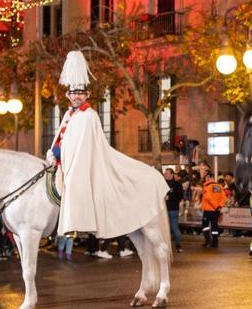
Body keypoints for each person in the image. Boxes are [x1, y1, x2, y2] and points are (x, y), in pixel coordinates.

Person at [46, 50, 170, 255]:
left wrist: (59, 152)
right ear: (68, 95)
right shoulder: (69, 114)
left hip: (80, 165)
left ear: (86, 95)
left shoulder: (89, 116)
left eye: (80, 93)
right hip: (62, 163)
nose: (76, 96)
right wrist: (53, 151)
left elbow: (80, 146)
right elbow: (63, 138)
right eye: (73, 93)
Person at [201, 170, 228, 248]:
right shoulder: (219, 186)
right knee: (214, 226)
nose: (205, 179)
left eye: (206, 177)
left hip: (208, 210)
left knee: (205, 225)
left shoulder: (207, 187)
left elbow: (208, 198)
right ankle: (215, 243)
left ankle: (208, 241)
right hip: (216, 210)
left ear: (209, 177)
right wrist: (219, 206)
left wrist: (215, 206)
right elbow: (224, 197)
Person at [163, 167, 184, 253]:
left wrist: (169, 197)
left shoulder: (177, 185)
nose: (165, 175)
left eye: (167, 173)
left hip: (173, 209)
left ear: (172, 174)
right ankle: (165, 246)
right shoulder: (162, 184)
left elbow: (180, 196)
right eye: (165, 173)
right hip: (163, 210)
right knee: (164, 228)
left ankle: (178, 245)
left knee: (175, 228)